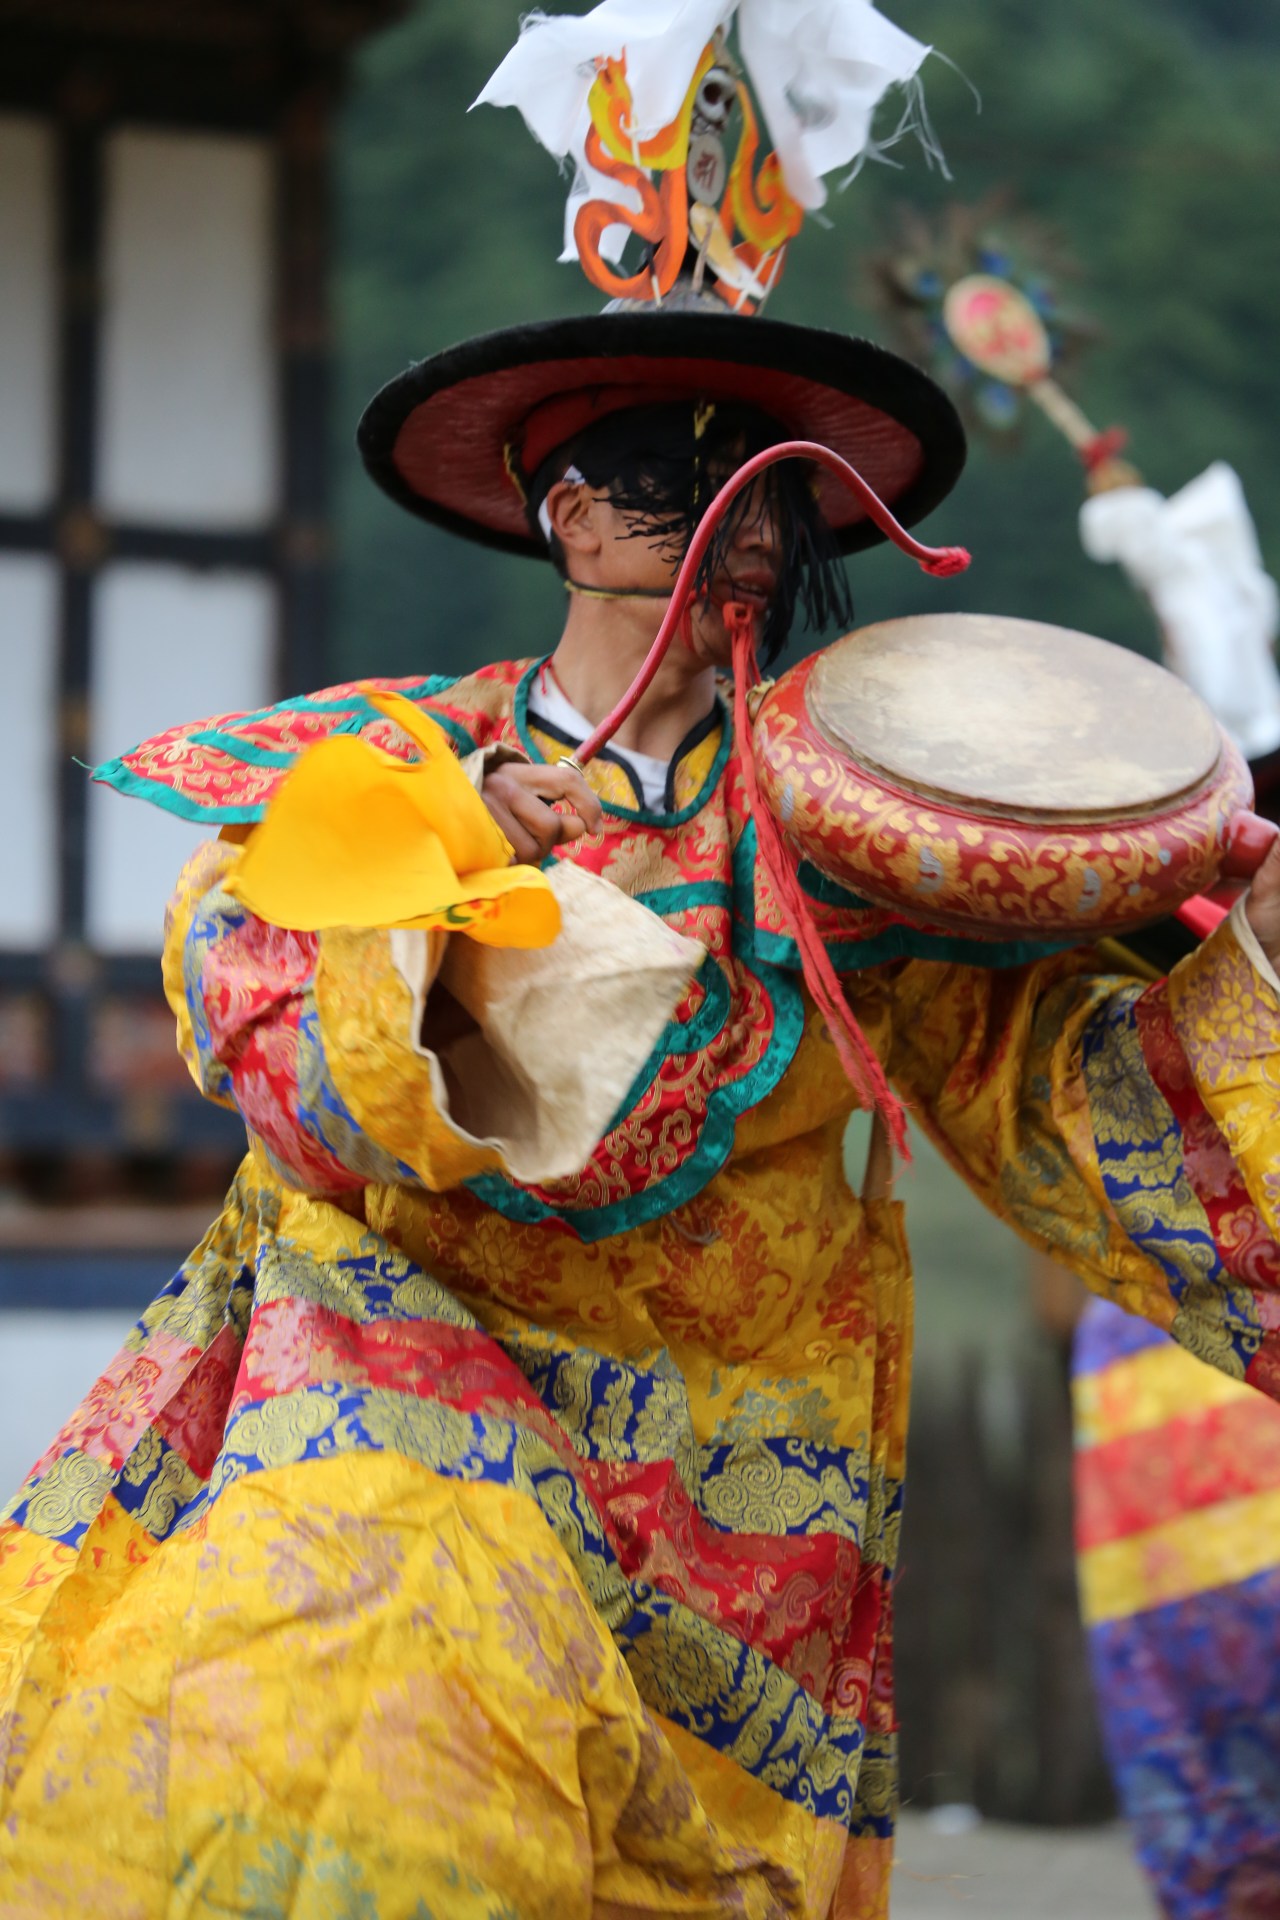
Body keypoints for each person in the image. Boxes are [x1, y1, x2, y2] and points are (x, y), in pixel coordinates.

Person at [4, 13, 1280, 1918]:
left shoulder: (868, 840)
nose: (746, 537)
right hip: (397, 1384)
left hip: (733, 1501)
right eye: (691, 489)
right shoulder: (392, 770)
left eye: (775, 495)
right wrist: (439, 890)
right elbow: (261, 1027)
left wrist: (1246, 941)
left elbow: (1071, 1106)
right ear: (572, 513)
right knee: (367, 1767)